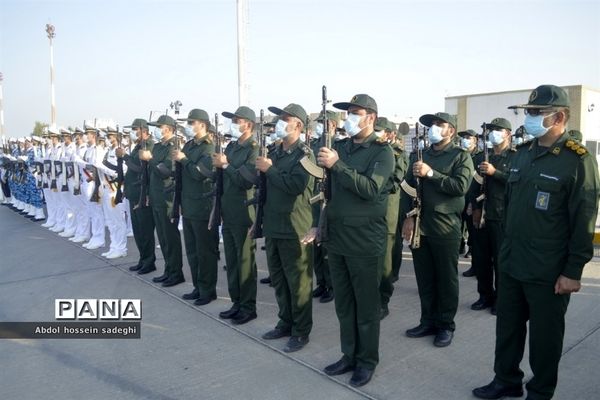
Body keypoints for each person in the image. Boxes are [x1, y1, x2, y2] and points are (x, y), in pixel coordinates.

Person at [473, 85, 600, 400]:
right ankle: (506, 379)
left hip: (548, 270)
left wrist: (572, 270)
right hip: (514, 261)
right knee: (508, 330)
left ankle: (541, 391)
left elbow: (583, 219)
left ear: (559, 116)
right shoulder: (523, 154)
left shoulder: (577, 161)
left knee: (545, 338)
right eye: (527, 112)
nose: (528, 117)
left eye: (535, 112)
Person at [318, 94, 394, 387]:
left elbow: (371, 190)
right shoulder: (342, 147)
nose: (349, 117)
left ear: (371, 117)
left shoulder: (382, 153)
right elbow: (329, 193)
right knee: (345, 305)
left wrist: (338, 165)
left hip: (364, 241)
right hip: (337, 239)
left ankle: (366, 361)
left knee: (366, 306)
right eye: (347, 112)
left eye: (355, 112)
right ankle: (348, 354)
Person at [401, 112, 474, 348]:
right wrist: (408, 218)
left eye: (438, 125)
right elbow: (408, 190)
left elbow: (460, 186)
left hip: (445, 226)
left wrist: (431, 173)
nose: (433, 128)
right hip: (421, 225)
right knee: (425, 278)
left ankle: (445, 325)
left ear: (450, 130)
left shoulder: (460, 156)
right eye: (431, 125)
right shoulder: (419, 155)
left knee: (446, 279)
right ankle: (427, 321)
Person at [257, 103, 314, 353]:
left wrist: (270, 170)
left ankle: (301, 331)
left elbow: (296, 186)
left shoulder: (305, 155)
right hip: (273, 225)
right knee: (279, 279)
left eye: (285, 118)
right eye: (278, 118)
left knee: (298, 282)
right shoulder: (275, 152)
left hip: (295, 226)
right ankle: (285, 322)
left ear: (298, 125)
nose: (279, 122)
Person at [214, 106, 259, 323]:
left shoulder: (254, 149)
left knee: (244, 261)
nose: (233, 123)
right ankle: (237, 302)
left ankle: (248, 307)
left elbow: (246, 180)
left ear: (248, 125)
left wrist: (226, 166)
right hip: (228, 211)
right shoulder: (231, 146)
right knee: (231, 261)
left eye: (237, 120)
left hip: (243, 212)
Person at [469, 118, 513, 314]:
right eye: (491, 130)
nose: (494, 133)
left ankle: (501, 300)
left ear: (508, 134)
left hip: (501, 215)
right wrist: (475, 208)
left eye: (498, 130)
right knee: (481, 259)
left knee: (500, 260)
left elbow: (516, 183)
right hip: (482, 215)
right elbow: (474, 185)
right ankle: (485, 295)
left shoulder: (515, 157)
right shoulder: (481, 157)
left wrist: (496, 173)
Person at [174, 109, 219, 304]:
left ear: (202, 124)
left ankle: (208, 290)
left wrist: (183, 159)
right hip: (189, 204)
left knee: (205, 252)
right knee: (192, 251)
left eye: (191, 123)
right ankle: (197, 287)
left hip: (202, 206)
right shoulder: (190, 145)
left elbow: (200, 173)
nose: (188, 126)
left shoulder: (208, 148)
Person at [140, 115, 184, 287]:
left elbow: (166, 170)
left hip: (167, 198)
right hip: (157, 195)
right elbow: (152, 173)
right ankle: (168, 269)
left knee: (170, 237)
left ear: (169, 128)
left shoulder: (174, 146)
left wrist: (150, 159)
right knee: (163, 237)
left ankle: (176, 272)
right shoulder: (158, 146)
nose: (158, 129)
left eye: (160, 126)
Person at [119, 119, 157, 274]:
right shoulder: (138, 146)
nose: (134, 132)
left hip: (143, 194)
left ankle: (149, 262)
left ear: (144, 130)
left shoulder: (149, 145)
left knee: (145, 231)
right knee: (138, 231)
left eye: (136, 129)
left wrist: (125, 157)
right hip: (133, 193)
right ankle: (143, 259)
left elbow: (140, 169)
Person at [457, 129, 480, 267]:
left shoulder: (479, 156)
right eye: (463, 137)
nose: (465, 140)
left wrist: (474, 202)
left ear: (475, 140)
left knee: (473, 230)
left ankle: (474, 262)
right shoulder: (460, 155)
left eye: (468, 137)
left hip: (472, 198)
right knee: (459, 225)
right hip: (460, 197)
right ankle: (460, 246)